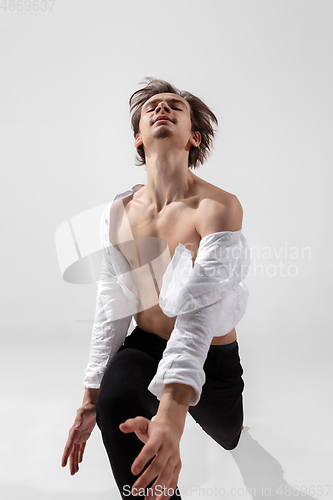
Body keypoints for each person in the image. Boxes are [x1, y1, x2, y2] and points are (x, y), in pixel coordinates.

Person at [61, 77, 250, 500]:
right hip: (146, 343)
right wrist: (91, 396)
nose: (162, 108)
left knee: (229, 435)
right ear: (138, 139)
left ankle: (225, 426)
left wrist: (172, 414)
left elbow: (198, 317)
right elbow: (112, 304)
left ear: (193, 137)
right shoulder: (119, 212)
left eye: (175, 106)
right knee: (115, 403)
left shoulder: (218, 208)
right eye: (152, 107)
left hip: (211, 353)